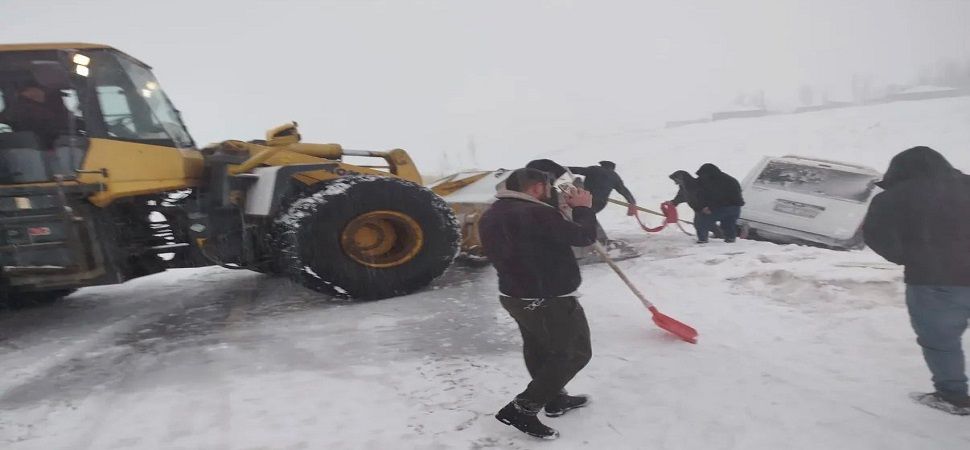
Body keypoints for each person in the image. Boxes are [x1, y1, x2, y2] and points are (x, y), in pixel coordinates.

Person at [478, 167, 598, 439]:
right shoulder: (536, 213)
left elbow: (538, 239)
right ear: (535, 188)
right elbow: (584, 237)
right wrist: (582, 208)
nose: (550, 192)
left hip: (515, 297)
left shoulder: (494, 213)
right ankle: (523, 408)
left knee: (539, 350)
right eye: (547, 187)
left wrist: (561, 212)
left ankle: (554, 398)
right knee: (574, 353)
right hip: (549, 299)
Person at [862, 146, 970, 416]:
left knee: (941, 340)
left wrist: (909, 257)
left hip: (934, 280)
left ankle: (953, 396)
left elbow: (877, 236)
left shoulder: (892, 198)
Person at [0, 84, 73, 148]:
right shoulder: (23, 109)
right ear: (29, 91)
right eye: (43, 89)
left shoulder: (14, 108)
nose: (43, 93)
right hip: (34, 147)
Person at [694, 163, 744, 243]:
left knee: (702, 218)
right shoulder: (729, 179)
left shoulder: (714, 182)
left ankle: (702, 239)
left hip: (723, 207)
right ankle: (730, 238)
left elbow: (718, 197)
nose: (701, 178)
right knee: (728, 223)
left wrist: (709, 208)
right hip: (735, 207)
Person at [567, 161, 638, 216]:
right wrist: (632, 202)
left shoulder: (594, 169)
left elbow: (577, 170)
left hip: (586, 198)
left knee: (578, 180)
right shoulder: (615, 176)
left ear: (602, 165)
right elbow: (624, 191)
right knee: (587, 214)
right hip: (600, 204)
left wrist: (562, 168)